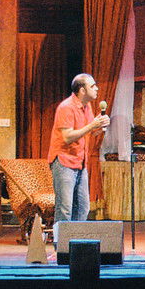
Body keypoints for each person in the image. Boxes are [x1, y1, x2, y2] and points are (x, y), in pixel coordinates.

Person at [47, 73, 110, 223]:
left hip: (80, 162)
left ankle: (76, 237)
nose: (97, 88)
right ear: (82, 90)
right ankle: (62, 238)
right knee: (65, 208)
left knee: (83, 207)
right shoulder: (66, 107)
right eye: (92, 86)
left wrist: (100, 125)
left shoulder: (87, 106)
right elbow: (68, 137)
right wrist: (92, 125)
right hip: (64, 162)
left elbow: (90, 131)